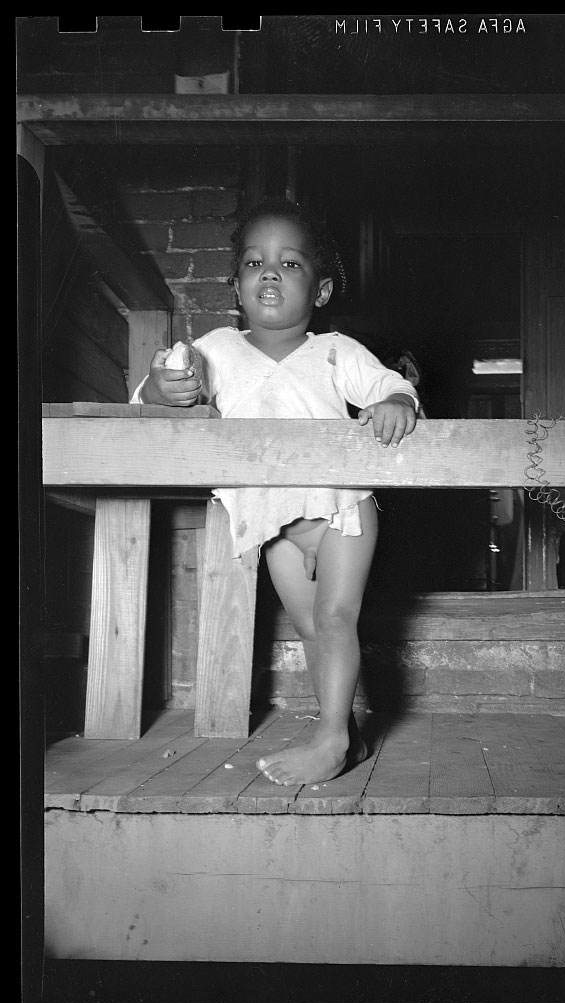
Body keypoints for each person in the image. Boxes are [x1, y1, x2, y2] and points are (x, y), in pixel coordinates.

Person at [131, 198, 419, 786]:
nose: (270, 272)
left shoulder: (335, 351)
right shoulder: (215, 350)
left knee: (337, 619)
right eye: (255, 262)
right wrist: (168, 388)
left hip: (341, 509)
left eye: (290, 264)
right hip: (273, 522)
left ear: (320, 290)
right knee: (312, 629)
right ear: (236, 285)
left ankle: (331, 738)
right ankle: (350, 736)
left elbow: (391, 385)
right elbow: (147, 398)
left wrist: (394, 402)